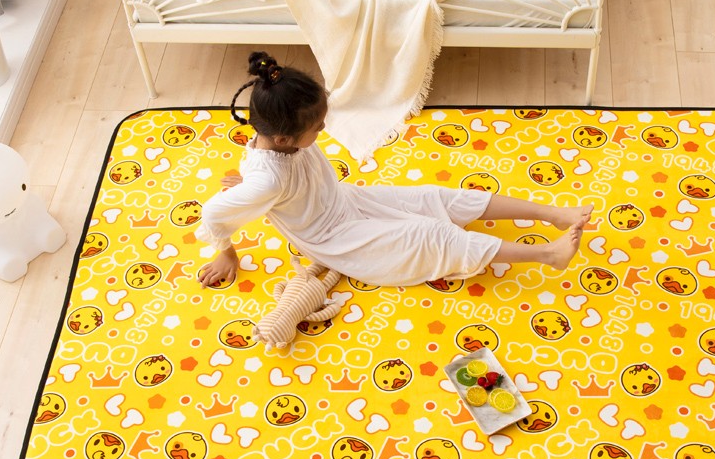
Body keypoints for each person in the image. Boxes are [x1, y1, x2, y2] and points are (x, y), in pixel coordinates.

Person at [196, 52, 592, 289]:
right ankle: (547, 255)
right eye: (317, 127)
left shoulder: (270, 151)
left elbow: (264, 171)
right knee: (433, 236)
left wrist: (253, 187)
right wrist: (227, 253)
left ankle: (552, 214)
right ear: (284, 138)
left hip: (347, 200)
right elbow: (215, 212)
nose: (323, 129)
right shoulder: (266, 180)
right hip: (336, 236)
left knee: (435, 197)